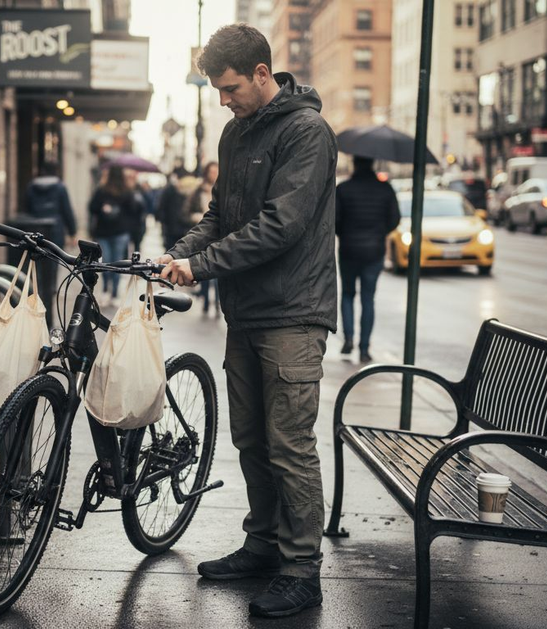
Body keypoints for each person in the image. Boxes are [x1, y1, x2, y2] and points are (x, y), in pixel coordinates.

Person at [158, 24, 338, 618]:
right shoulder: (236, 134)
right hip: (248, 313)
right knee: (252, 441)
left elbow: (280, 225)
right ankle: (263, 546)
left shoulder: (307, 132)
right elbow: (220, 214)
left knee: (290, 446)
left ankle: (301, 568)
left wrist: (201, 266)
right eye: (216, 89)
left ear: (263, 74)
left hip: (293, 314)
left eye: (230, 87)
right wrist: (179, 254)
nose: (223, 99)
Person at [335, 156, 401, 363]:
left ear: (355, 165)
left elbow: (334, 219)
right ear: (372, 165)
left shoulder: (344, 189)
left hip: (349, 249)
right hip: (374, 251)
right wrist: (379, 231)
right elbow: (394, 219)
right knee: (368, 298)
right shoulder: (385, 189)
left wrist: (345, 233)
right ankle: (364, 348)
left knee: (347, 294)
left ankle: (348, 339)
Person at [89, 164, 140, 304]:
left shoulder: (101, 190)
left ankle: (106, 290)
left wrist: (103, 209)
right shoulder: (127, 191)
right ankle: (115, 294)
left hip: (104, 232)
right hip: (121, 232)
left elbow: (92, 208)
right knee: (118, 263)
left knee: (106, 263)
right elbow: (134, 211)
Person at [185, 161, 220, 315]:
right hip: (204, 232)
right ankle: (205, 300)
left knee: (219, 269)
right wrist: (196, 217)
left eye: (216, 171)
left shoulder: (225, 189)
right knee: (204, 267)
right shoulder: (199, 191)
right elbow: (186, 211)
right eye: (211, 171)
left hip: (220, 234)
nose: (214, 174)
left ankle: (218, 303)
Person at [24, 161, 76, 248]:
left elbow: (27, 208)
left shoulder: (31, 187)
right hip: (56, 230)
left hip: (35, 229)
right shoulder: (60, 188)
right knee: (55, 256)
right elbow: (67, 211)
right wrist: (72, 232)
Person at [156, 166, 192, 250]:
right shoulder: (170, 190)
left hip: (179, 229)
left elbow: (161, 209)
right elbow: (162, 209)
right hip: (173, 229)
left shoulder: (171, 190)